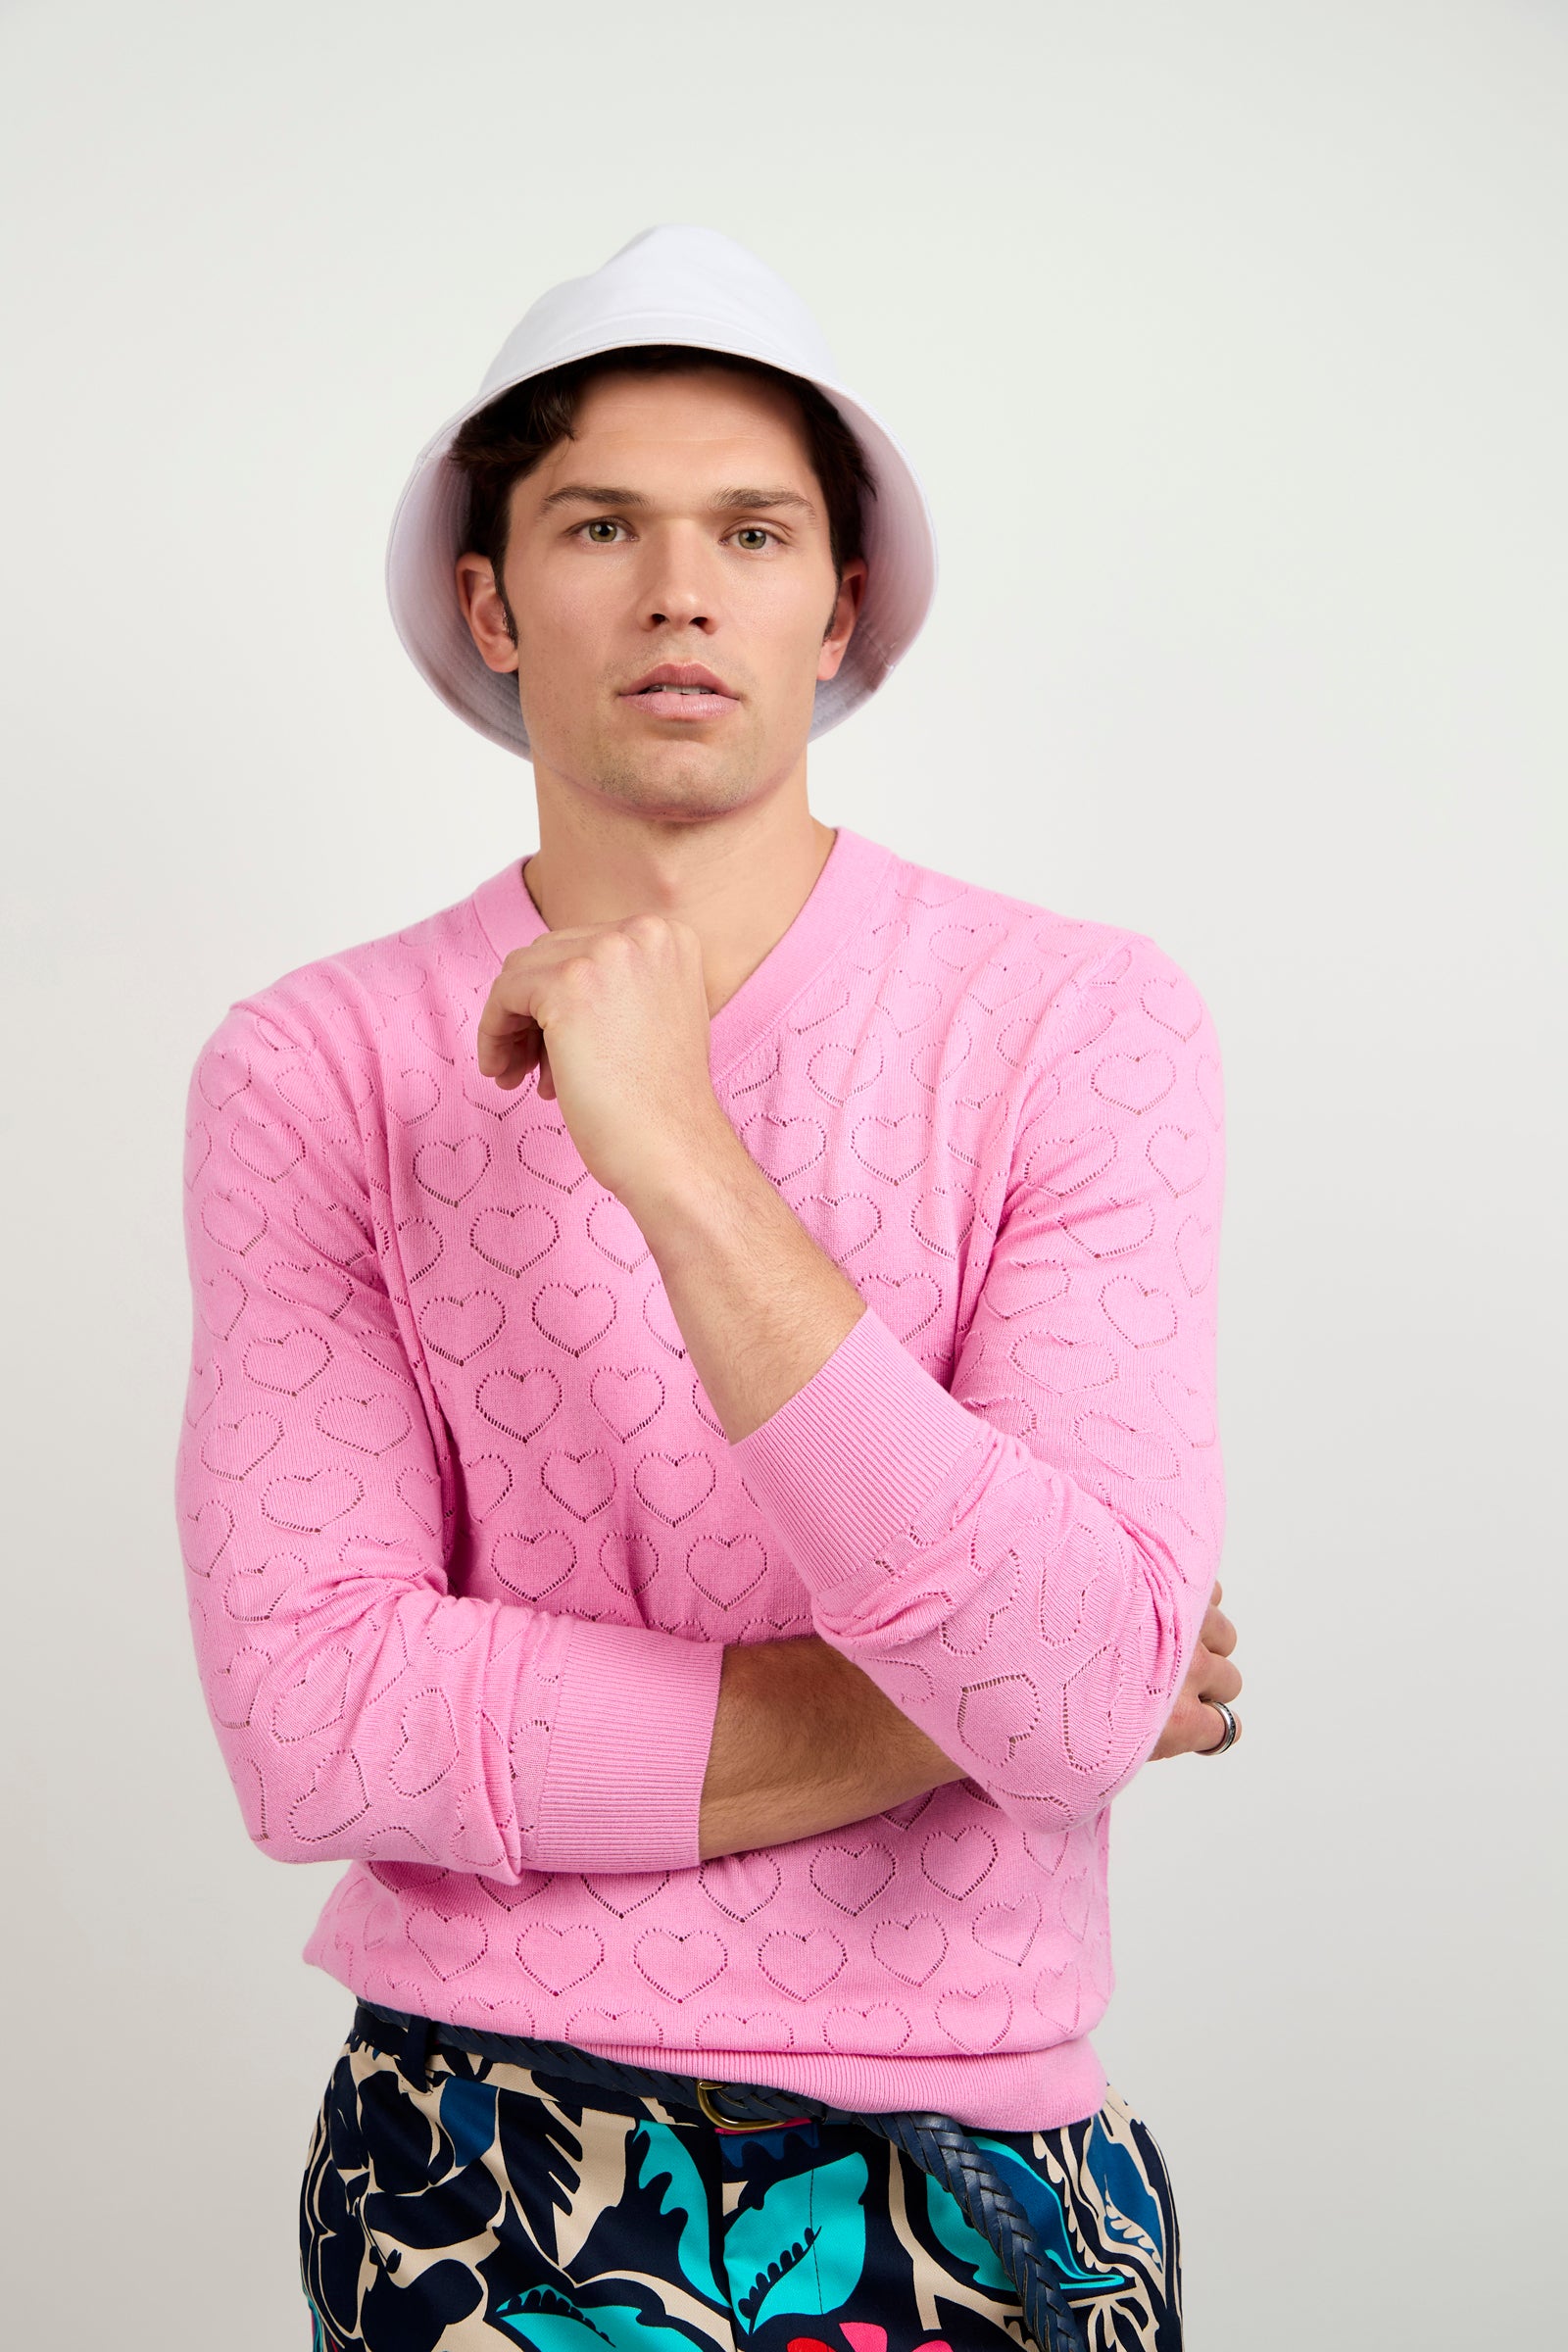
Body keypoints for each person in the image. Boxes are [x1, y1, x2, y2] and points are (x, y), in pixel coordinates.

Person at [174, 226, 1242, 2352]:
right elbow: (317, 1730)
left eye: (750, 531)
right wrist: (962, 1703)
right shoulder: (313, 1066)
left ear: (833, 607)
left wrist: (669, 1147)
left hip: (981, 2181)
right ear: (491, 603)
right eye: (600, 526)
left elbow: (1061, 1692)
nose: (679, 588)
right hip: (472, 2166)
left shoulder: (1071, 1024)